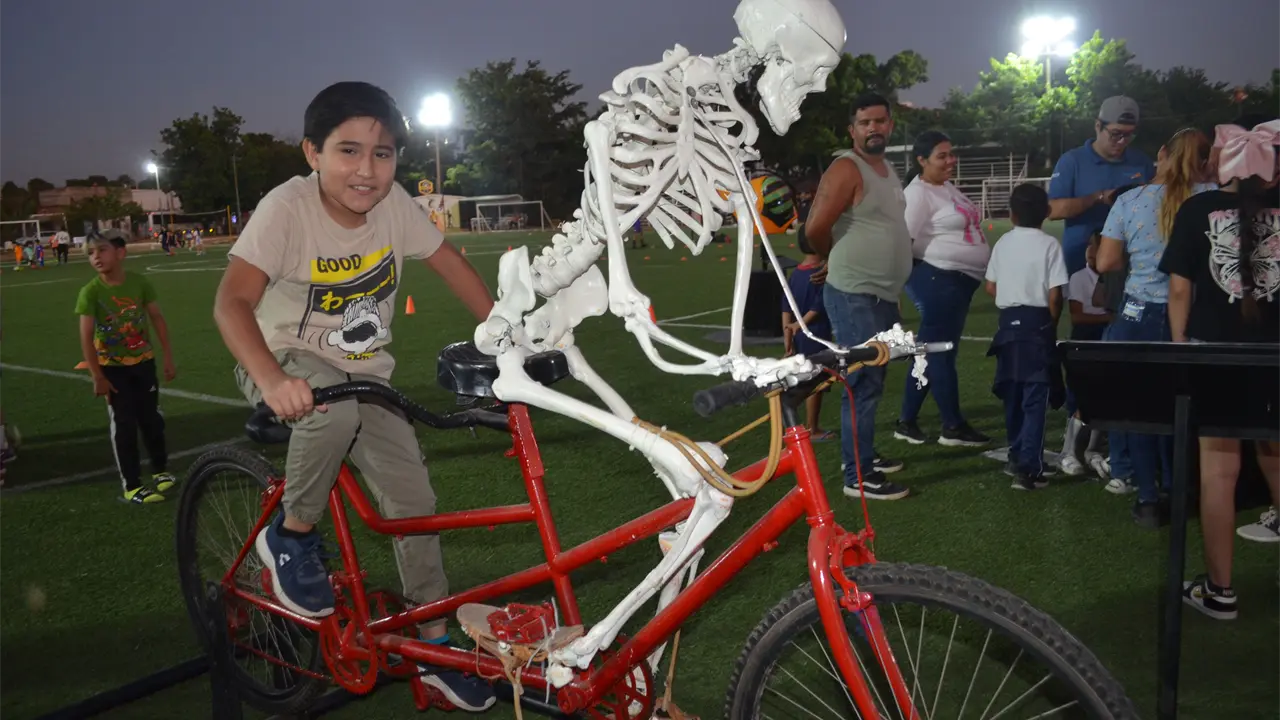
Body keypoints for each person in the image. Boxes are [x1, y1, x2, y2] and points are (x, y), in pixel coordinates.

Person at [212, 81, 497, 710]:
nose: (367, 170)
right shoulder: (286, 208)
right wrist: (270, 379)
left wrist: (505, 336)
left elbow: (449, 263)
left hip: (365, 374)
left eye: (383, 153)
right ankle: (291, 534)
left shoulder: (394, 205)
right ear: (311, 152)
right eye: (348, 151)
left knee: (415, 503)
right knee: (331, 406)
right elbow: (231, 303)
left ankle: (433, 645)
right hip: (283, 357)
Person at [1160, 115, 1280, 620]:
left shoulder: (1195, 210)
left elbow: (1180, 289)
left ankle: (1220, 590)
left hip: (1216, 356)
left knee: (1218, 473)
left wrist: (1180, 348)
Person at [1095, 128, 1216, 526]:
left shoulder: (1131, 200)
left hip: (1138, 313)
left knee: (1142, 409)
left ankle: (1148, 497)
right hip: (1194, 314)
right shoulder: (1209, 198)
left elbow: (1107, 263)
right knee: (1181, 408)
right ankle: (1178, 490)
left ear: (1162, 153)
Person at [804, 92, 913, 501]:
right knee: (863, 380)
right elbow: (815, 227)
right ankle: (857, 475)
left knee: (875, 376)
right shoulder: (846, 168)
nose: (874, 128)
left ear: (890, 125)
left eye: (880, 121)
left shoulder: (884, 168)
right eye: (865, 123)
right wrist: (835, 256)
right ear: (852, 130)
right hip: (854, 293)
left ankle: (864, 455)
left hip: (880, 294)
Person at [893, 130, 991, 448]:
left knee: (929, 351)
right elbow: (901, 244)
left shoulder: (946, 186)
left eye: (951, 153)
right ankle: (952, 425)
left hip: (957, 281)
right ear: (922, 160)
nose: (951, 160)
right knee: (941, 354)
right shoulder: (918, 193)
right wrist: (895, 290)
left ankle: (906, 422)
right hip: (938, 279)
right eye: (942, 156)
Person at [75, 230, 179, 504]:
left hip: (144, 363)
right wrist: (97, 375)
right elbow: (86, 336)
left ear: (120, 253)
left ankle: (160, 471)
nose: (96, 257)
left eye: (102, 250)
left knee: (151, 420)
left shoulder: (139, 283)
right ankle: (132, 485)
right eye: (90, 253)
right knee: (124, 426)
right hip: (113, 369)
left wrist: (167, 356)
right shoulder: (91, 292)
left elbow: (156, 317)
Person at [984, 184, 1068, 491]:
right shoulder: (1049, 245)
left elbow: (990, 286)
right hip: (1037, 326)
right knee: (1036, 399)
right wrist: (1052, 323)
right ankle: (1029, 468)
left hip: (1007, 328)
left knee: (1013, 395)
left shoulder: (1004, 242)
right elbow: (1055, 295)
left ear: (1011, 214)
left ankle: (1016, 455)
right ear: (1047, 213)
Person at [1048, 96, 1156, 277]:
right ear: (1098, 126)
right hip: (1080, 264)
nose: (1122, 141)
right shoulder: (1072, 161)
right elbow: (1052, 210)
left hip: (1130, 266)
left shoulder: (1141, 162)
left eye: (1128, 135)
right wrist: (1097, 198)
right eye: (1115, 134)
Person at [1059, 232, 1111, 479]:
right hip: (1087, 338)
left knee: (1105, 395)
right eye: (1089, 244)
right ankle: (1068, 452)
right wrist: (1112, 317)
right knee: (1081, 396)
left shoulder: (1117, 277)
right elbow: (1078, 315)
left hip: (1106, 336)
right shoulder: (1079, 277)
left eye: (1095, 245)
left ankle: (1092, 449)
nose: (1089, 249)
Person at [781, 226, 833, 440]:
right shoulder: (820, 275)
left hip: (799, 335)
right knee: (816, 382)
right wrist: (800, 326)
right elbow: (817, 307)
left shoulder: (796, 274)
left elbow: (786, 307)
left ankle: (792, 420)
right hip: (816, 334)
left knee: (804, 378)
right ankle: (812, 427)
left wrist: (788, 337)